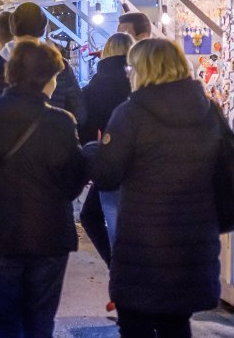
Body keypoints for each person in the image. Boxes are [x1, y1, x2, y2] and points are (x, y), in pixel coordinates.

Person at [85, 39, 222, 337]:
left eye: (131, 68)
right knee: (177, 324)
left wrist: (94, 151)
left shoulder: (131, 114)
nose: (127, 74)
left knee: (136, 325)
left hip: (144, 248)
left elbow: (107, 175)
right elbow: (228, 176)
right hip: (193, 245)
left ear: (144, 70)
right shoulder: (209, 113)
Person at [0, 41, 86, 337]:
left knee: (0, 323)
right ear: (49, 78)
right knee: (39, 323)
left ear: (10, 74)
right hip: (48, 236)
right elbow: (75, 180)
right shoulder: (61, 122)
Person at [0, 2, 86, 127]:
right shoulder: (59, 65)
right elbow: (80, 114)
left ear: (13, 29)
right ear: (43, 29)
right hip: (49, 136)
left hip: (3, 137)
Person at [79, 32, 134, 269]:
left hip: (109, 163)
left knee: (100, 216)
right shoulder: (136, 81)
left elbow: (86, 127)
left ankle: (117, 267)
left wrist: (90, 162)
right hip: (140, 163)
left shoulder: (95, 85)